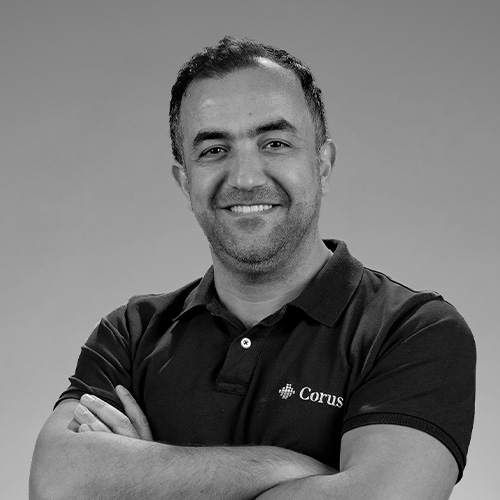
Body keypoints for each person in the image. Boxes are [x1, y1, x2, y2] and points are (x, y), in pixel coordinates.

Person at [30, 36, 476, 500]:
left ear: (322, 164)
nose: (245, 178)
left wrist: (139, 478)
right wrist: (290, 468)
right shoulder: (131, 334)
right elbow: (57, 482)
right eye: (213, 150)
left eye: (275, 143)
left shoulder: (413, 331)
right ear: (185, 181)